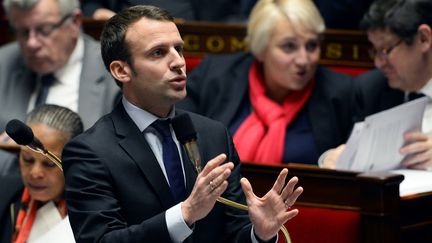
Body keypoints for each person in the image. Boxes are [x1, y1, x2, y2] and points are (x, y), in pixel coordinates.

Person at [62, 5, 303, 243]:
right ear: (121, 70)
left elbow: (234, 231)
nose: (178, 62)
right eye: (158, 53)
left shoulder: (213, 135)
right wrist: (185, 214)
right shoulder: (90, 151)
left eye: (179, 49)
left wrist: (259, 233)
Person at [178, 0, 358, 165]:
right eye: (289, 46)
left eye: (312, 46)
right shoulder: (215, 74)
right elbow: (180, 131)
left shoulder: (340, 92)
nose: (304, 60)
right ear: (261, 49)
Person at [321, 0, 432, 170]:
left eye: (386, 50)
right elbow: (347, 154)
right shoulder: (371, 89)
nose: (379, 63)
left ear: (423, 39)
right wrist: (329, 159)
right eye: (375, 50)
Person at [0, 0, 119, 133]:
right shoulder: (4, 62)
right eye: (23, 32)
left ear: (75, 22)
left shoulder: (113, 70)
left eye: (44, 30)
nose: (31, 43)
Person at [0, 104, 83, 243]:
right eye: (27, 159)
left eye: (49, 164)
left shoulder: (91, 209)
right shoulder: (4, 192)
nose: (35, 173)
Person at [81, 0, 247, 22]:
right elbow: (90, 5)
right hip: (128, 40)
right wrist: (97, 13)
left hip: (206, 51)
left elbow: (241, 15)